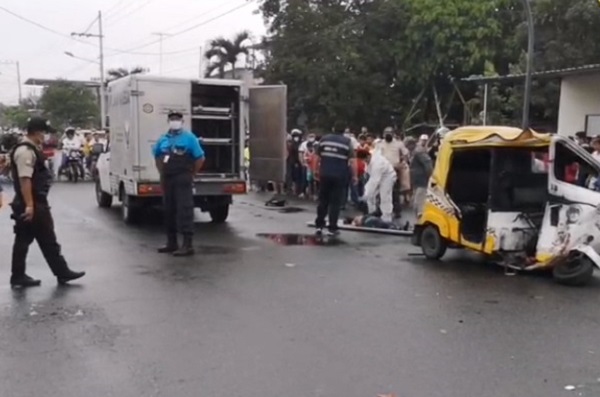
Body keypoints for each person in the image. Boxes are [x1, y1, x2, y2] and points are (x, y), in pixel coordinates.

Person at [9, 117, 85, 287]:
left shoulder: (29, 149)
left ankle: (20, 275)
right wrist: (30, 205)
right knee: (45, 238)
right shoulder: (26, 151)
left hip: (31, 201)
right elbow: (25, 179)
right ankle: (61, 272)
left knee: (26, 239)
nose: (45, 136)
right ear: (36, 132)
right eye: (43, 132)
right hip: (33, 202)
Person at [153, 111, 205, 256]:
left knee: (184, 210)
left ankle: (187, 245)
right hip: (167, 178)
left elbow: (200, 158)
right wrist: (161, 173)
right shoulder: (163, 139)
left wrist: (191, 174)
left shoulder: (189, 138)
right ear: (168, 121)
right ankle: (171, 242)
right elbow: (157, 156)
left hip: (182, 177)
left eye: (177, 119)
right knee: (169, 209)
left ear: (182, 121)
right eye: (172, 119)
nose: (174, 121)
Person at [315, 121, 357, 236]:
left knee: (323, 201)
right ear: (344, 131)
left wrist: (316, 171)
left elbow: (317, 157)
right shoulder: (347, 142)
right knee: (335, 203)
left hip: (324, 174)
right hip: (339, 176)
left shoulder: (324, 139)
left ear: (333, 128)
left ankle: (319, 225)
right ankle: (332, 228)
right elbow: (352, 161)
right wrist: (354, 176)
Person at [375, 127, 408, 217]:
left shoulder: (398, 144)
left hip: (394, 170)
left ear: (393, 134)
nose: (388, 134)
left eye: (390, 133)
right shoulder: (379, 144)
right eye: (386, 133)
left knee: (394, 191)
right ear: (383, 134)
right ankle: (379, 209)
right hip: (382, 170)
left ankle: (397, 211)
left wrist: (403, 163)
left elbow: (405, 154)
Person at [358, 149, 397, 222]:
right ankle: (371, 214)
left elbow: (374, 180)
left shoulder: (377, 163)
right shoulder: (369, 158)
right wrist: (367, 194)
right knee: (371, 196)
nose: (365, 162)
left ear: (368, 156)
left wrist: (366, 194)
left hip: (388, 176)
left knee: (385, 196)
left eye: (365, 160)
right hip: (378, 176)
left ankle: (387, 218)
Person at [406, 137, 433, 218]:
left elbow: (428, 164)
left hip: (422, 181)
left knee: (419, 203)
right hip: (417, 182)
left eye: (407, 145)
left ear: (411, 144)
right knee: (415, 203)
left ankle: (421, 220)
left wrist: (430, 177)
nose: (407, 148)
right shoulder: (413, 152)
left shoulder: (419, 152)